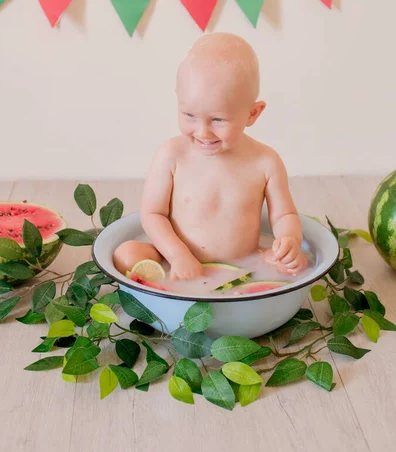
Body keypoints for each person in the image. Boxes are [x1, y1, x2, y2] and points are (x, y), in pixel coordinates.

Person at [113, 33, 308, 280]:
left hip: (245, 263)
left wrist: (289, 240)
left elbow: (284, 215)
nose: (203, 131)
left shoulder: (265, 162)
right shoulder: (172, 154)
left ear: (252, 113)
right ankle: (169, 285)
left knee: (294, 265)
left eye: (217, 119)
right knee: (126, 254)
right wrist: (177, 255)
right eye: (189, 115)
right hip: (174, 259)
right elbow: (153, 214)